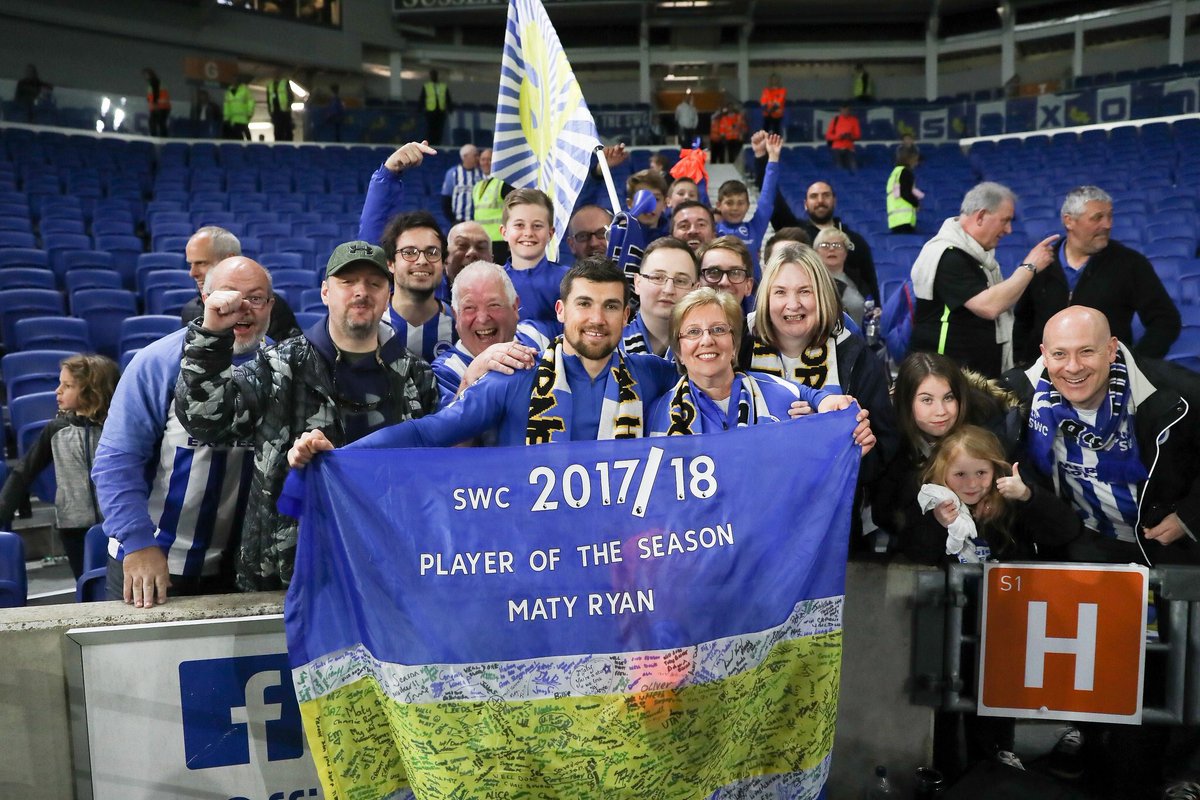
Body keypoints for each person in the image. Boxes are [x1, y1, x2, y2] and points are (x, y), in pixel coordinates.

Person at [174, 243, 439, 591]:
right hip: (289, 574)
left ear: (388, 294)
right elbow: (204, 419)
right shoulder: (279, 365)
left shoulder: (416, 377)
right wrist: (211, 335)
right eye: (348, 282)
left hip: (390, 569)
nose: (361, 292)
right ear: (326, 292)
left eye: (374, 283)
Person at [288, 258, 681, 459]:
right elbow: (428, 433)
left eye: (611, 306)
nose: (597, 319)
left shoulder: (654, 376)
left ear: (627, 316)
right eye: (585, 304)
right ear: (561, 310)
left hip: (615, 556)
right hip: (534, 552)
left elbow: (716, 391)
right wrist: (341, 456)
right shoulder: (516, 374)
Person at [94, 258, 273, 607]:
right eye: (230, 296)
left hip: (241, 568)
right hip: (155, 560)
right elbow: (117, 461)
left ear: (271, 306)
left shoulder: (282, 365)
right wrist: (139, 544)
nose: (242, 308)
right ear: (205, 298)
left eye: (256, 298)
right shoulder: (157, 361)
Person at [1005, 305, 1200, 566]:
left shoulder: (1179, 394)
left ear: (1110, 349)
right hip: (1079, 544)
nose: (1073, 367)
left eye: (1086, 351)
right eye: (1059, 354)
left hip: (1167, 548)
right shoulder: (1017, 396)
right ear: (1044, 355)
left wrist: (1189, 518)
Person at [750, 242, 898, 542]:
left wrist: (849, 444)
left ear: (823, 296)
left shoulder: (856, 356)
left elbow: (884, 447)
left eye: (805, 291)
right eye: (780, 292)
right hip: (752, 525)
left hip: (833, 528)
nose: (793, 305)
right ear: (765, 298)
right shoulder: (738, 349)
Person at [648, 286, 869, 438]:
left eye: (718, 329)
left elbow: (822, 401)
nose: (707, 340)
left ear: (734, 345)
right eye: (693, 332)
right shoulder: (658, 412)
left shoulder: (777, 390)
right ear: (678, 351)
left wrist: (843, 419)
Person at [875, 352, 1025, 563]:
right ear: (907, 401)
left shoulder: (989, 423)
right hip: (922, 554)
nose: (941, 411)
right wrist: (928, 516)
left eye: (948, 397)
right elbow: (885, 514)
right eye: (927, 400)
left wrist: (997, 499)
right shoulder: (892, 436)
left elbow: (1020, 499)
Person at [1013, 185, 1180, 367]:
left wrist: (1134, 365)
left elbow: (1166, 321)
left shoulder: (1130, 263)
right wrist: (1023, 363)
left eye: (1110, 216)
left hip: (1107, 378)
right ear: (1069, 221)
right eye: (1098, 217)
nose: (1108, 224)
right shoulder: (1040, 262)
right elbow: (1023, 320)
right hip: (1044, 374)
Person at [910, 182, 1059, 378]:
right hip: (946, 378)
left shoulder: (976, 255)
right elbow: (989, 306)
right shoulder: (947, 255)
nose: (1009, 230)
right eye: (1004, 221)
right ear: (980, 216)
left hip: (972, 377)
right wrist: (1029, 267)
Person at [0, 354, 119, 579]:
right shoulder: (56, 429)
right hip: (73, 527)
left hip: (118, 522)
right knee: (88, 582)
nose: (58, 391)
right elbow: (24, 473)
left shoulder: (117, 427)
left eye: (67, 386)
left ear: (92, 389)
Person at [430, 260, 543, 407]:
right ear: (456, 316)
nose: (483, 318)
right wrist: (468, 380)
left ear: (515, 307)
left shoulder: (537, 336)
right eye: (470, 308)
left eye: (494, 305)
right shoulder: (445, 372)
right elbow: (444, 428)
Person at [181, 226, 299, 343]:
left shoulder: (271, 308)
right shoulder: (191, 310)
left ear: (229, 259)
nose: (192, 273)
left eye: (201, 263)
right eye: (190, 264)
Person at [380, 210, 457, 363]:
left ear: (443, 263)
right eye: (409, 252)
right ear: (390, 263)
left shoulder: (461, 325)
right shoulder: (371, 324)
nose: (422, 260)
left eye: (432, 252)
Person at [622, 237, 700, 361]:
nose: (669, 290)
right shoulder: (611, 346)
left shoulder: (705, 350)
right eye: (657, 278)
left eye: (680, 281)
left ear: (696, 289)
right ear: (637, 283)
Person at [715, 131, 781, 278]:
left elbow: (767, 199)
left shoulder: (754, 229)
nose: (735, 208)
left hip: (753, 295)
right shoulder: (713, 230)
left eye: (740, 203)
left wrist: (773, 158)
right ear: (718, 205)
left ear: (748, 205)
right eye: (729, 202)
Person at [501, 188, 567, 324]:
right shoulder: (493, 281)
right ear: (504, 232)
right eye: (519, 225)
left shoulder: (569, 280)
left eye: (537, 226)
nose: (528, 233)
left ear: (550, 233)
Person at [814, 227, 867, 327]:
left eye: (837, 245)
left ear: (846, 252)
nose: (831, 249)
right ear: (816, 252)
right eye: (825, 245)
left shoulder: (858, 279)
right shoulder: (811, 281)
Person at [471, 148, 513, 262]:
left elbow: (513, 211)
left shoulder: (503, 183)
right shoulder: (477, 186)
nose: (485, 162)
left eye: (489, 159)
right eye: (483, 159)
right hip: (481, 240)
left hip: (499, 241)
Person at [442, 144, 484, 225]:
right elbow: (445, 200)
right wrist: (453, 221)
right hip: (459, 221)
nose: (478, 158)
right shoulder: (453, 173)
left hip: (478, 221)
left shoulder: (481, 174)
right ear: (465, 157)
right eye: (475, 155)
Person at [886, 148, 922, 234]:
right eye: (915, 160)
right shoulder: (905, 172)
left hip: (894, 221)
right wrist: (916, 204)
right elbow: (905, 193)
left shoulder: (894, 173)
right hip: (905, 219)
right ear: (909, 159)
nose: (916, 163)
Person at [626, 169, 670, 238]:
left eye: (656, 199)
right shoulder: (621, 237)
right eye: (642, 199)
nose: (649, 206)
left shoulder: (672, 238)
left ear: (664, 204)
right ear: (630, 204)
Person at [419, 69, 451, 145]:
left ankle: (437, 143)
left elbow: (447, 98)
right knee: (430, 129)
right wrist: (419, 108)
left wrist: (450, 107)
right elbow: (422, 98)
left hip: (440, 111)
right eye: (432, 75)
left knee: (439, 129)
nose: (434, 76)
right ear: (430, 76)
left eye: (435, 75)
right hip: (430, 111)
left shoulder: (443, 86)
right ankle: (430, 143)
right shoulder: (427, 86)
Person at [825, 105, 861, 171]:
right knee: (839, 168)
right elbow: (828, 136)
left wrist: (850, 136)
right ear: (840, 110)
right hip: (837, 148)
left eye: (847, 110)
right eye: (843, 110)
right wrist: (839, 137)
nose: (845, 112)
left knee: (853, 167)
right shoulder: (835, 120)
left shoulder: (854, 120)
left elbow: (858, 136)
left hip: (849, 148)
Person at [266, 70, 294, 141]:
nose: (276, 76)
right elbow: (268, 99)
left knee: (287, 129)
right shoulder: (270, 85)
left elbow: (290, 95)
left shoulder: (285, 83)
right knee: (277, 130)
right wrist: (270, 110)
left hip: (285, 110)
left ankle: (289, 143)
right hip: (275, 111)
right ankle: (278, 143)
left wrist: (288, 105)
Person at [143, 68, 171, 138]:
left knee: (157, 123)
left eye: (146, 75)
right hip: (160, 106)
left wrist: (154, 104)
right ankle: (160, 138)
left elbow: (155, 96)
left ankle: (156, 138)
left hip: (160, 107)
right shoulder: (154, 83)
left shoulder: (154, 82)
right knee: (158, 123)